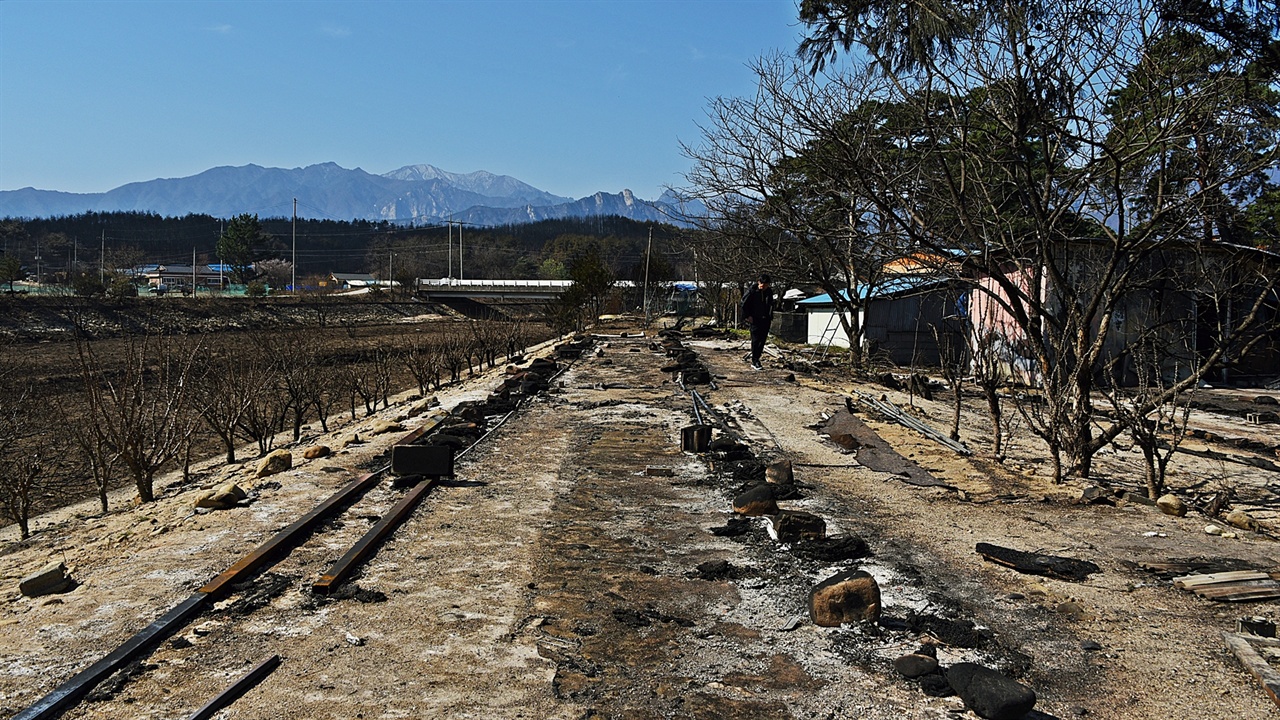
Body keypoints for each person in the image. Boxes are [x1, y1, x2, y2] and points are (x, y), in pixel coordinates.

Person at [740, 274, 774, 370]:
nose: (764, 287)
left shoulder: (769, 292)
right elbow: (743, 303)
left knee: (762, 340)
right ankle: (755, 360)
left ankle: (757, 358)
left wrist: (770, 315)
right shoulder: (752, 291)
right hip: (755, 319)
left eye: (767, 285)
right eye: (763, 285)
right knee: (755, 340)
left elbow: (771, 304)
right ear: (759, 282)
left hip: (765, 318)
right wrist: (747, 316)